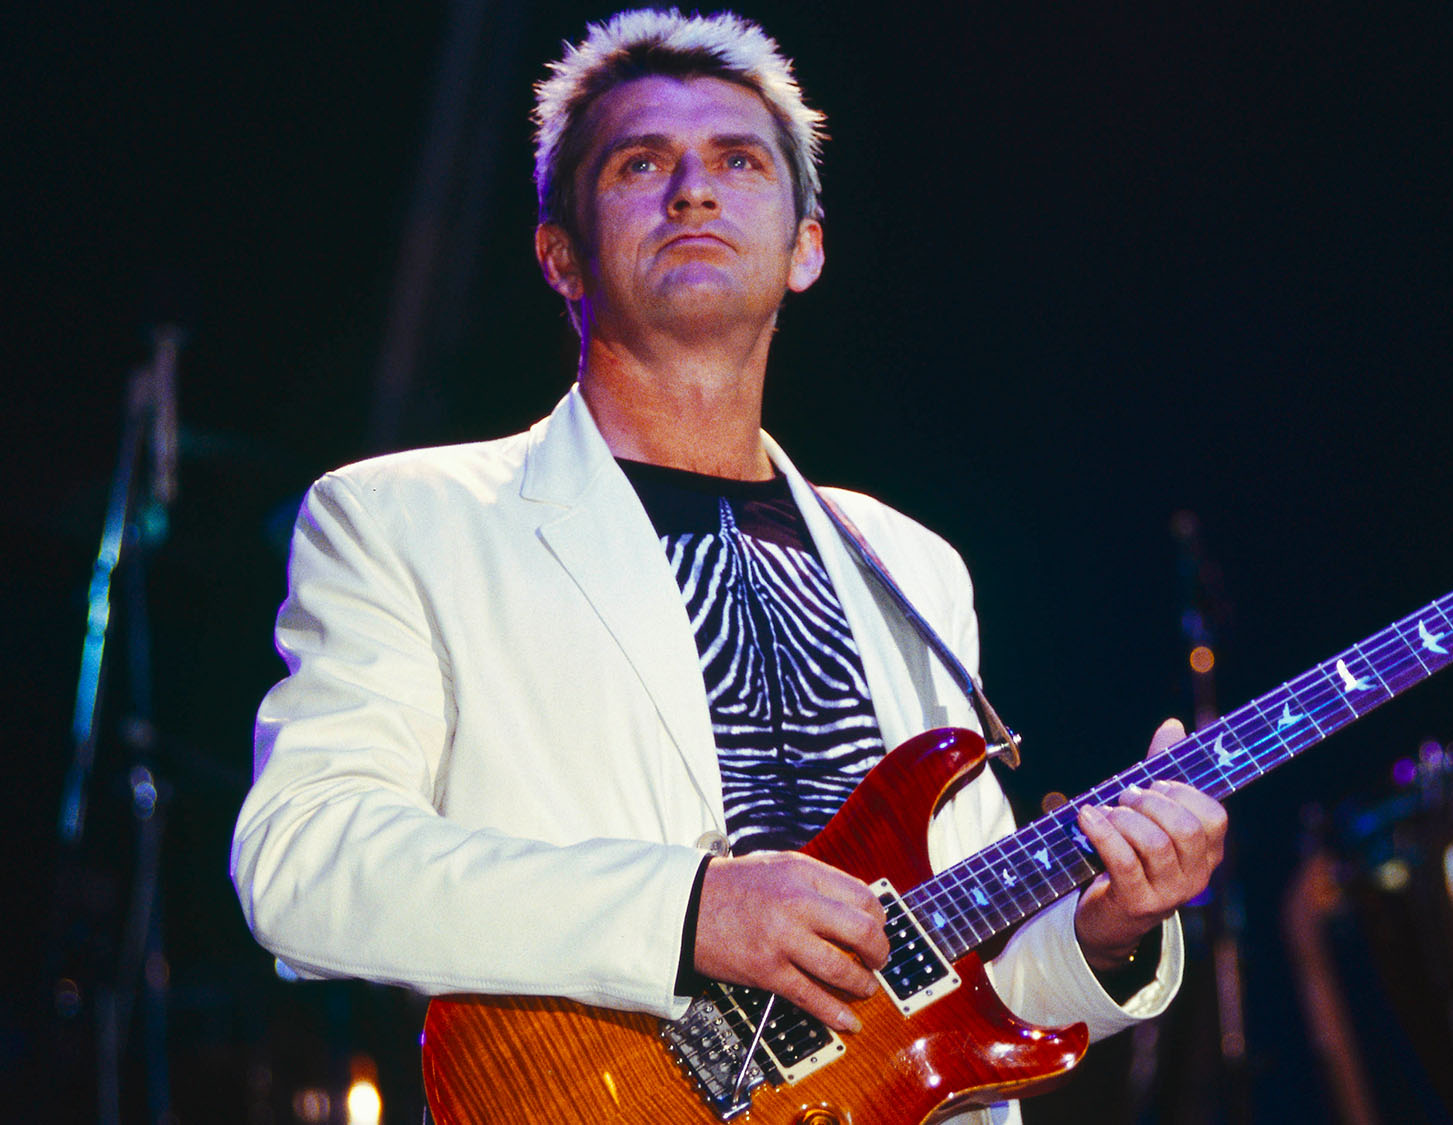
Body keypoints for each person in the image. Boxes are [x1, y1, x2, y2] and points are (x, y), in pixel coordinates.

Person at [229, 10, 1227, 1122]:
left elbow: (965, 980)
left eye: (738, 162)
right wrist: (688, 912)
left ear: (806, 246)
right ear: (559, 252)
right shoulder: (401, 520)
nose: (693, 192)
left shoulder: (912, 565)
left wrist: (1108, 928)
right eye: (642, 162)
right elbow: (303, 865)